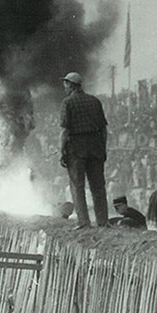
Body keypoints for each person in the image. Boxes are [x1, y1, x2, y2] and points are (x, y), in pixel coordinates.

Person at [59, 72, 109, 229]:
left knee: (77, 185)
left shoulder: (67, 102)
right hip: (96, 147)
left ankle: (83, 222)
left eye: (66, 84)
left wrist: (61, 150)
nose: (64, 87)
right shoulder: (95, 101)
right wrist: (103, 147)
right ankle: (102, 221)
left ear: (71, 85)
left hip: (77, 148)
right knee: (98, 186)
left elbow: (65, 130)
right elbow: (104, 129)